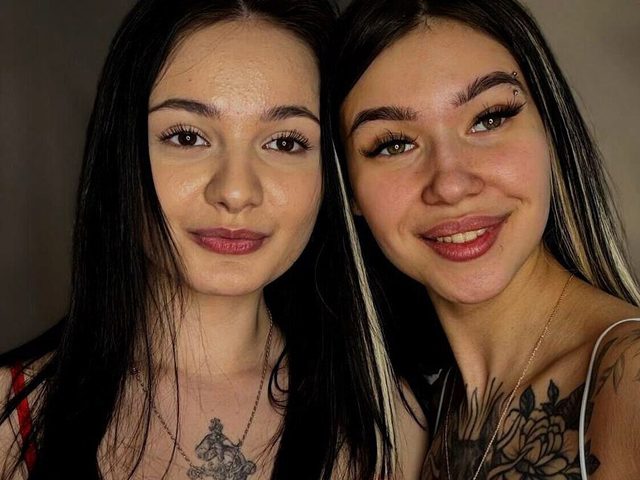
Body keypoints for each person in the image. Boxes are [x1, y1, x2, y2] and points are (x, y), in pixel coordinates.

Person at [0, 1, 427, 478]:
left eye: (285, 142)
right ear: (119, 154)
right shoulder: (9, 419)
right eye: (187, 137)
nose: (236, 191)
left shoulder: (389, 424)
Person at [330, 0, 640, 478]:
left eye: (489, 118)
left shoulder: (629, 380)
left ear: (550, 130)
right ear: (349, 188)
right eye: (394, 144)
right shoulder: (415, 422)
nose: (451, 184)